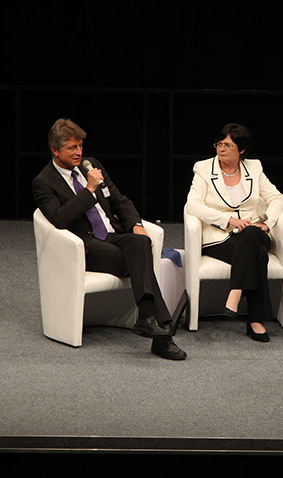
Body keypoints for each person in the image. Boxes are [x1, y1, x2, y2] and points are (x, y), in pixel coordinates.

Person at [32, 118, 186, 360]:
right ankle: (162, 335)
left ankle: (147, 319)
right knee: (138, 260)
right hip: (85, 245)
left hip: (113, 234)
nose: (79, 152)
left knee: (141, 243)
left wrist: (137, 226)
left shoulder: (91, 165)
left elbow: (119, 200)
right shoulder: (43, 182)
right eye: (72, 148)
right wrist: (89, 190)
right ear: (55, 150)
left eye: (80, 146)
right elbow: (60, 218)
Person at [186, 123, 283, 342]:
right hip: (220, 237)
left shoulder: (254, 168)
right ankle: (256, 320)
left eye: (228, 145)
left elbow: (278, 199)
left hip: (254, 232)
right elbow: (192, 205)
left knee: (251, 234)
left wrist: (267, 223)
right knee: (259, 255)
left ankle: (235, 292)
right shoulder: (203, 168)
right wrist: (228, 220)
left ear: (241, 150)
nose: (221, 149)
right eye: (219, 144)